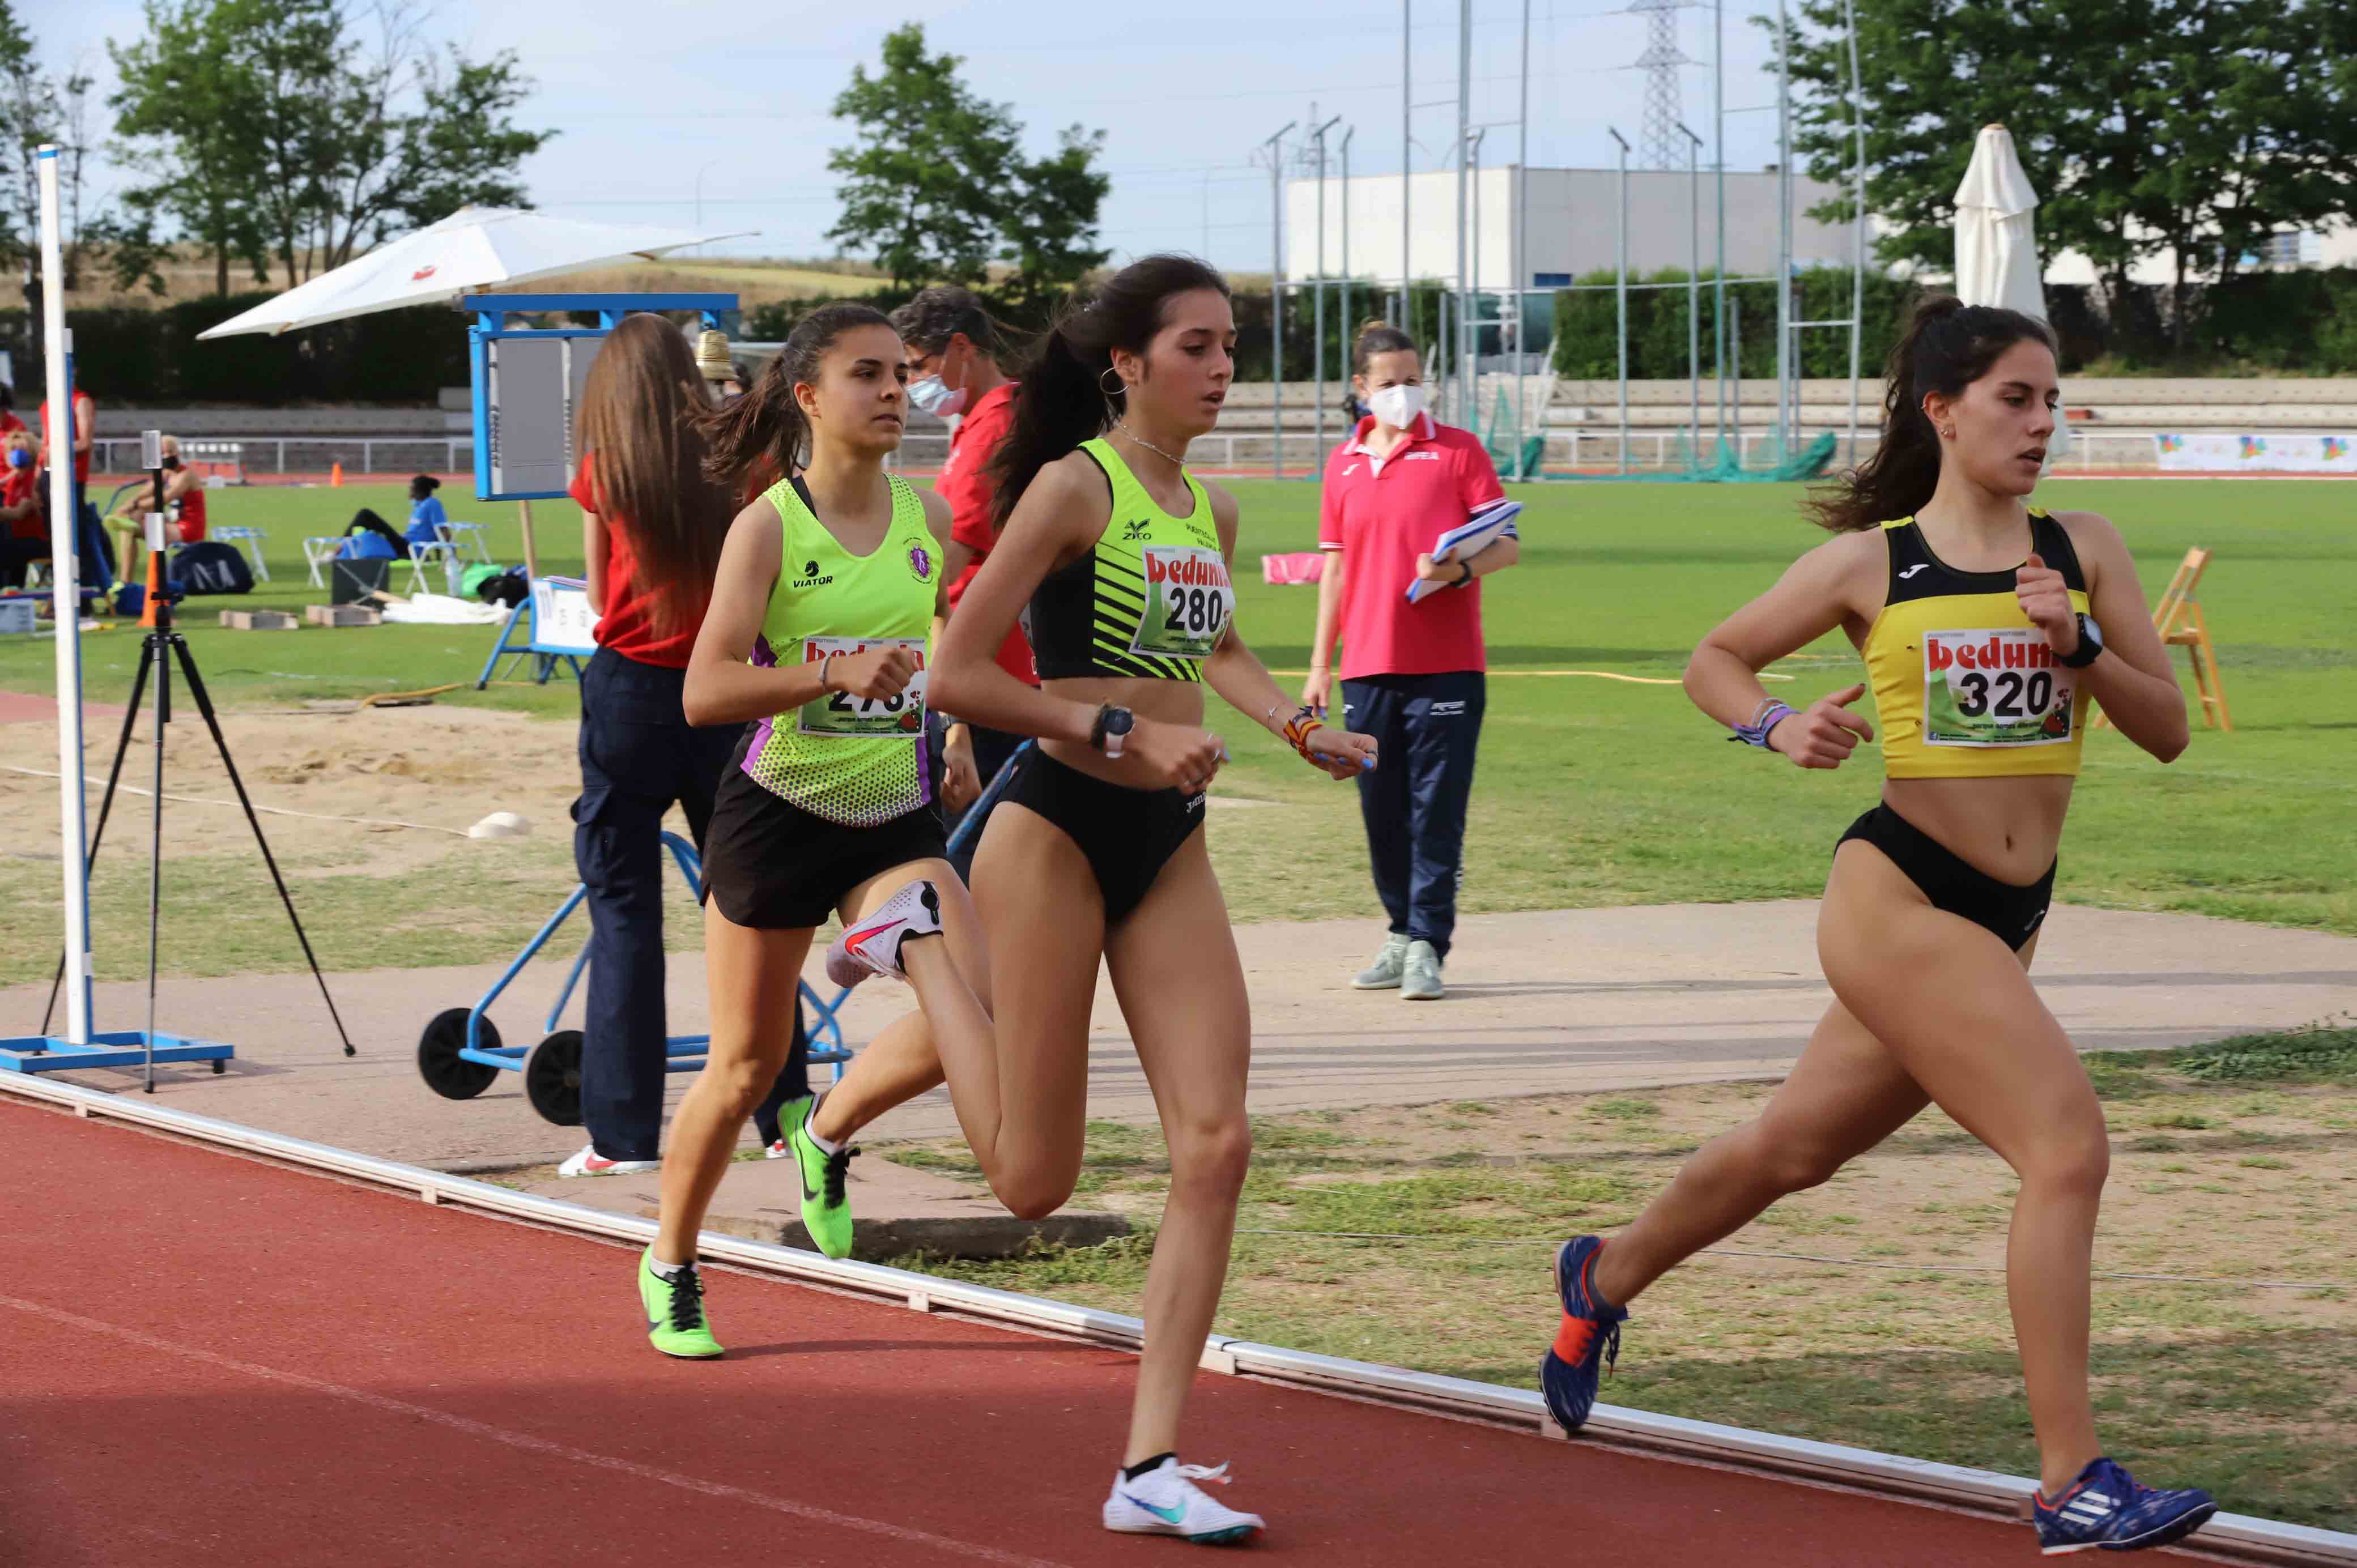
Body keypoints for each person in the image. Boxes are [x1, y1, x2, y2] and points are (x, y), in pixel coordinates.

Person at [1537, 299, 2215, 1556]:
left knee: (1791, 1150)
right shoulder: (1875, 565)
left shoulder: (2085, 548)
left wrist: (2073, 648)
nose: (2041, 422)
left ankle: (1603, 1275)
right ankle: (2072, 1475)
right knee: (2064, 1147)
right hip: (1897, 895)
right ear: (1943, 412)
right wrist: (1775, 724)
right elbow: (1715, 658)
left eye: (2051, 399)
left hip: (2006, 918)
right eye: (2015, 398)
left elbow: (2166, 728)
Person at [930, 254, 1377, 1544]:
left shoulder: (1211, 508)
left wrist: (1299, 722)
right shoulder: (1075, 487)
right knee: (1030, 1179)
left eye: (1230, 344)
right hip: (1054, 828)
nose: (1222, 366)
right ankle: (916, 952)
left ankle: (1149, 1463)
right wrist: (1115, 725)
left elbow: (1217, 644)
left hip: (1166, 836)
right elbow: (960, 672)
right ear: (1126, 361)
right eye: (1196, 345)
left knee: (1217, 1142)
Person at [642, 302, 997, 1352]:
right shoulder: (768, 526)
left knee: (976, 1010)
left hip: (893, 812)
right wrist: (827, 672)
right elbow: (704, 691)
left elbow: (943, 632)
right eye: (867, 375)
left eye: (901, 373)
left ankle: (829, 1132)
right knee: (746, 1067)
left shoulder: (925, 518)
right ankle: (672, 1260)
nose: (895, 391)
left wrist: (960, 720)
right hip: (777, 812)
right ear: (807, 397)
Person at [558, 313, 816, 1179]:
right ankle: (786, 1116)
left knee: (623, 911)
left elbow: (600, 591)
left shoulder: (608, 470)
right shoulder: (739, 461)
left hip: (631, 688)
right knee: (751, 904)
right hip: (728, 690)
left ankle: (621, 1138)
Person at [1304, 321, 1520, 1002]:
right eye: (1388, 382)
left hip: (1447, 665)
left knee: (1436, 811)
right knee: (1381, 808)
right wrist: (1320, 666)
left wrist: (1456, 570)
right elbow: (1333, 572)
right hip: (1367, 666)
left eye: (1411, 379)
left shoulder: (1458, 451)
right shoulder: (1341, 464)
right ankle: (1398, 932)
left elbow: (1506, 546)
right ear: (1361, 388)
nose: (1403, 393)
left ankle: (1428, 942)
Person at [890, 286, 1031, 873]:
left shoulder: (993, 427)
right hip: (993, 665)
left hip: (985, 670)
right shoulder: (994, 418)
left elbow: (943, 570)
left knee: (964, 866)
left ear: (960, 349)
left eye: (916, 367)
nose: (911, 385)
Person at [108, 435, 207, 583]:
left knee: (130, 527)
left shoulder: (186, 476)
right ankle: (127, 581)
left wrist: (133, 505)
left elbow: (164, 498)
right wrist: (129, 504)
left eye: (170, 451)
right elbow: (148, 491)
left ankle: (126, 582)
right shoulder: (166, 473)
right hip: (174, 522)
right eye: (162, 453)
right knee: (131, 522)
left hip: (189, 528)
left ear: (178, 453)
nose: (166, 456)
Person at [0, 429, 40, 590]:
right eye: (13, 450)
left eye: (22, 450)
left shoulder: (32, 479)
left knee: (5, 553)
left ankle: (12, 596)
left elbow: (19, 513)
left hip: (33, 539)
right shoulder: (15, 478)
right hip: (17, 538)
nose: (17, 454)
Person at [402, 473, 449, 549]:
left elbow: (442, 530)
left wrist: (451, 555)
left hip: (411, 547)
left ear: (420, 491)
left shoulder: (432, 503)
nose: (409, 493)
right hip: (406, 543)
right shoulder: (418, 506)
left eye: (411, 489)